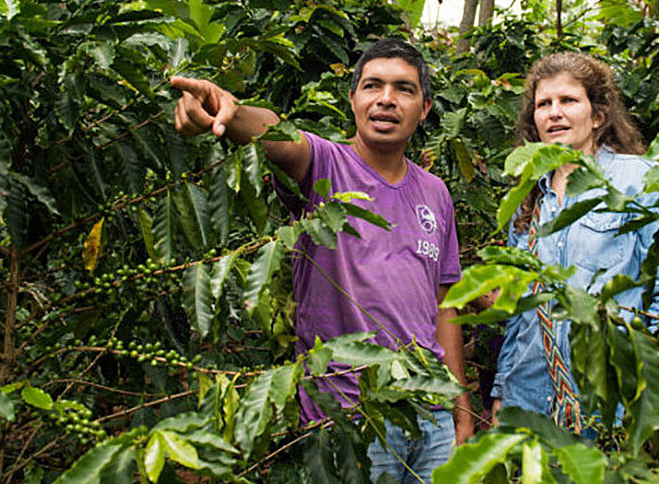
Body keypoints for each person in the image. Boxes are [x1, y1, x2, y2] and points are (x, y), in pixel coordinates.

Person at [172, 38, 473, 482]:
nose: (386, 99)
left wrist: (459, 406)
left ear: (425, 108)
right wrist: (230, 113)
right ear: (353, 99)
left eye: (404, 89)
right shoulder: (326, 164)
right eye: (372, 85)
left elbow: (444, 302)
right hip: (349, 417)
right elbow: (280, 138)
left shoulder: (436, 192)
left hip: (431, 415)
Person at [490, 52, 659, 430]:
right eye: (543, 104)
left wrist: (640, 374)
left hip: (611, 406)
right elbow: (520, 313)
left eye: (568, 101)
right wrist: (502, 392)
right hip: (528, 403)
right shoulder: (526, 199)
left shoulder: (640, 182)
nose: (554, 113)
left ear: (598, 116)